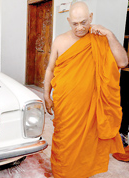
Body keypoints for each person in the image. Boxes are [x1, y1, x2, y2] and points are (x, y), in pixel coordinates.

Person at [44, 2, 128, 178]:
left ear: (90, 18)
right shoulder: (60, 40)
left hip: (90, 108)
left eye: (84, 22)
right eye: (75, 24)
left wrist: (110, 34)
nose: (80, 28)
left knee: (86, 149)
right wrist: (46, 95)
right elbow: (50, 69)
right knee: (64, 144)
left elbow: (123, 62)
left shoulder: (100, 38)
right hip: (65, 106)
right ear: (68, 21)